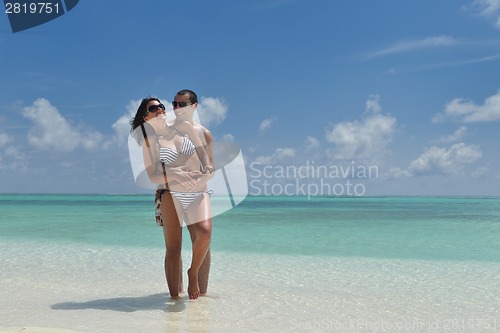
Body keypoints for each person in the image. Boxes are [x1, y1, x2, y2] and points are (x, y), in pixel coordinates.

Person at [130, 92, 215, 300]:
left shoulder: (185, 128)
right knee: (174, 248)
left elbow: (206, 160)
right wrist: (176, 174)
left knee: (203, 236)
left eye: (161, 106)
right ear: (145, 117)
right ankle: (174, 302)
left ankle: (198, 289)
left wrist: (204, 174)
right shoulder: (150, 141)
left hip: (196, 191)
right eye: (153, 108)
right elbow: (153, 175)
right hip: (169, 193)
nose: (160, 110)